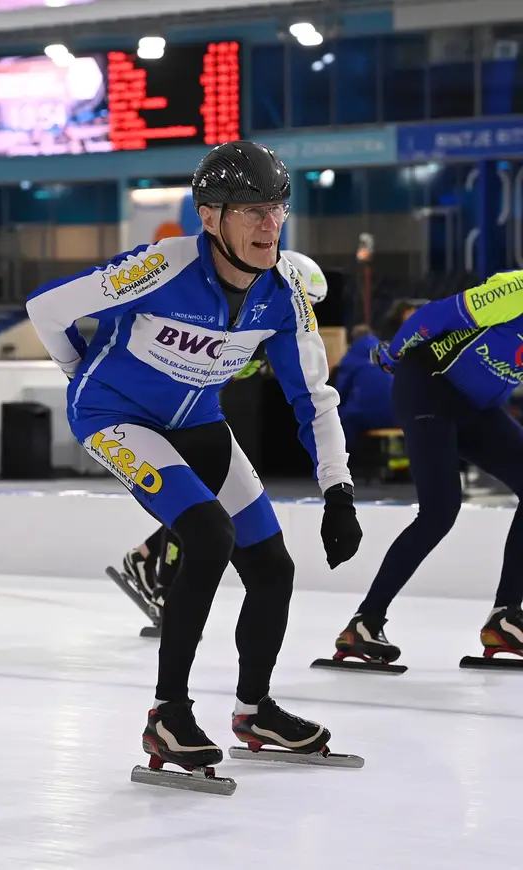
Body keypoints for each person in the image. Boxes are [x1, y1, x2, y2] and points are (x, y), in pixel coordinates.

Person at [26, 140, 362, 780]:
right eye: (253, 211)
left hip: (199, 422)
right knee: (209, 535)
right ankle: (168, 714)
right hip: (117, 417)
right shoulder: (163, 266)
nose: (270, 225)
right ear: (210, 217)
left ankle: (253, 709)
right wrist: (78, 376)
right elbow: (47, 307)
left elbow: (313, 398)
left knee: (272, 567)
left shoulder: (285, 294)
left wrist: (338, 490)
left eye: (277, 210)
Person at [116, 250, 330, 623]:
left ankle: (146, 557)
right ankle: (161, 576)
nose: (302, 313)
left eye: (309, 307)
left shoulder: (274, 329)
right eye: (304, 304)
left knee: (206, 501)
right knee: (197, 503)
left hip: (205, 414)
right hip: (174, 415)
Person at [332, 270, 523, 668]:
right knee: (439, 512)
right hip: (429, 383)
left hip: (478, 407)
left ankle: (505, 617)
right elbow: (432, 318)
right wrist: (393, 355)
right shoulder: (518, 290)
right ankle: (364, 623)